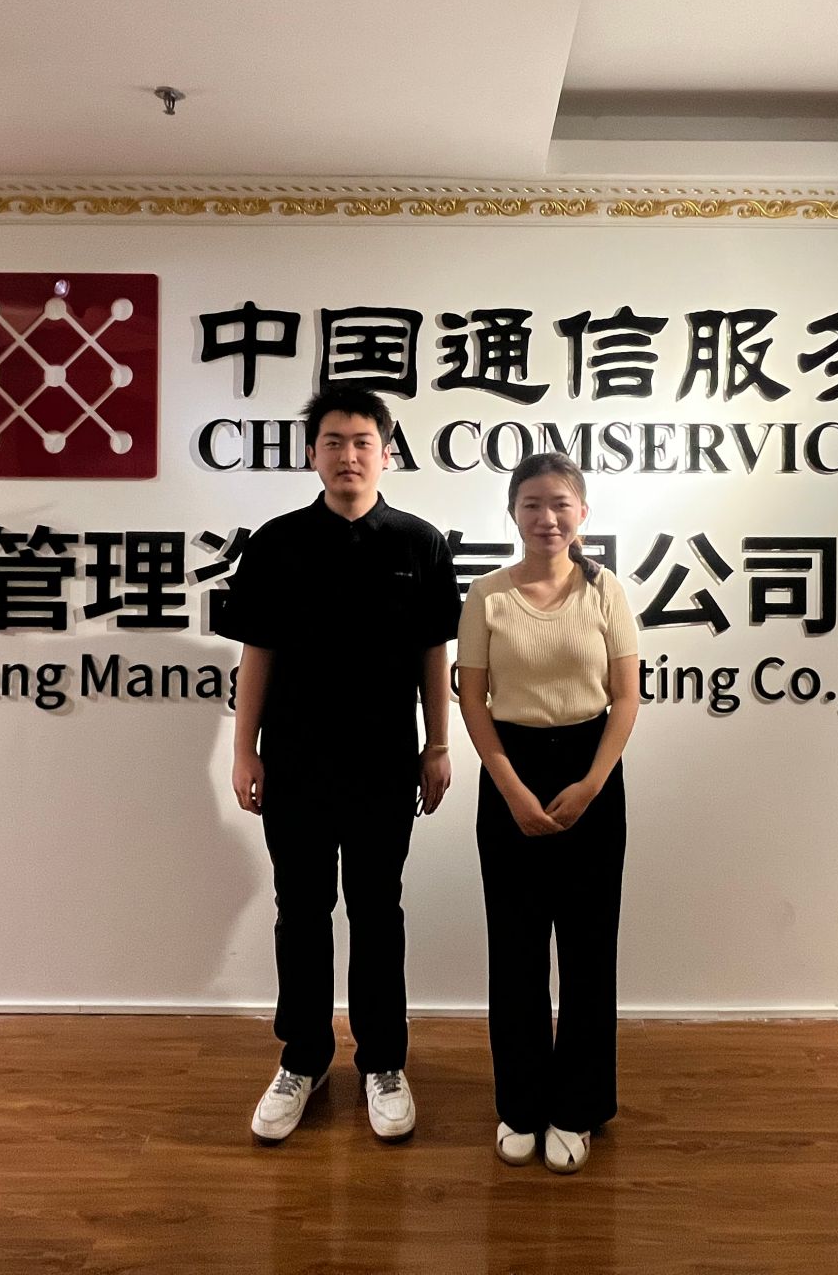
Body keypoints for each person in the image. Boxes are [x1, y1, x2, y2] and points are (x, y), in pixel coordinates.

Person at [218, 385, 460, 1145]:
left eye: (362, 442)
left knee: (378, 911)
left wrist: (438, 743)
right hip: (295, 760)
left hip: (385, 762)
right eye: (333, 442)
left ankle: (383, 1061)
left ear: (386, 452)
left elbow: (434, 654)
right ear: (312, 453)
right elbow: (257, 651)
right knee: (301, 909)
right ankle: (304, 1059)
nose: (348, 455)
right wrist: (244, 748)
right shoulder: (277, 542)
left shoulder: (419, 544)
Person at [457, 451, 639, 1174]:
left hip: (592, 771)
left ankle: (578, 1106)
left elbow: (625, 697)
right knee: (517, 949)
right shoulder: (487, 596)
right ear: (513, 513)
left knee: (590, 950)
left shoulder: (606, 591)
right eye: (532, 504)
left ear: (582, 513)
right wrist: (510, 787)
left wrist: (592, 782)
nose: (547, 518)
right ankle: (521, 1104)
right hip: (511, 769)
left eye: (561, 504)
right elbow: (473, 700)